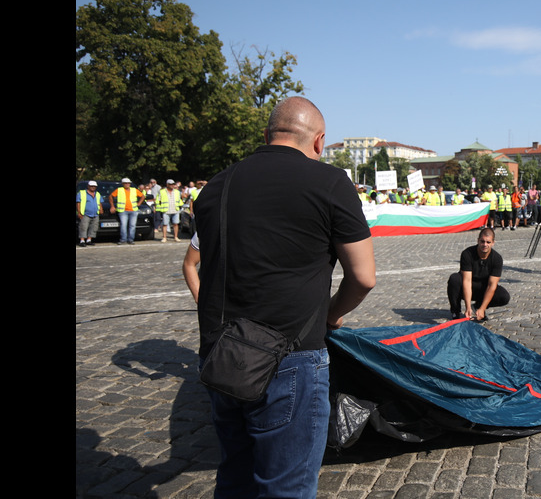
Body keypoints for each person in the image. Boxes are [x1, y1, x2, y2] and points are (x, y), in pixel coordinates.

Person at [189, 97, 376, 498]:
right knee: (286, 488)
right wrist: (331, 315)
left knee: (234, 479)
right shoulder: (329, 182)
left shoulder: (214, 187)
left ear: (266, 135)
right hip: (289, 358)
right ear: (319, 142)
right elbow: (363, 276)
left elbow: (205, 264)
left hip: (222, 354)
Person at [447, 228, 510, 322]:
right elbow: (467, 281)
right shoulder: (467, 254)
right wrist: (468, 307)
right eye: (482, 241)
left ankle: (478, 307)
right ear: (478, 240)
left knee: (504, 296)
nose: (485, 244)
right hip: (467, 286)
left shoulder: (497, 258)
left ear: (493, 243)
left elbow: (491, 285)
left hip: (483, 288)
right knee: (454, 279)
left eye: (488, 242)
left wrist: (482, 308)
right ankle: (455, 312)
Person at [109, 178, 144, 245]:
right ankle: (123, 239)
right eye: (126, 183)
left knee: (132, 225)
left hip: (133, 210)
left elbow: (142, 196)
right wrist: (112, 206)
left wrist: (139, 203)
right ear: (123, 184)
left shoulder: (134, 190)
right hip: (123, 210)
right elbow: (111, 196)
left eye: (128, 183)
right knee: (123, 225)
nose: (127, 184)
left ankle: (131, 239)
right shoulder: (119, 190)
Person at [77, 181, 102, 247]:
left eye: (94, 186)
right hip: (85, 213)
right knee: (83, 227)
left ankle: (89, 240)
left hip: (95, 214)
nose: (93, 187)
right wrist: (79, 212)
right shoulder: (82, 193)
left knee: (94, 227)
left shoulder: (97, 194)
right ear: (88, 186)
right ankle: (82, 240)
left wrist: (101, 209)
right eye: (91, 186)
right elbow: (78, 203)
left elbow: (99, 202)